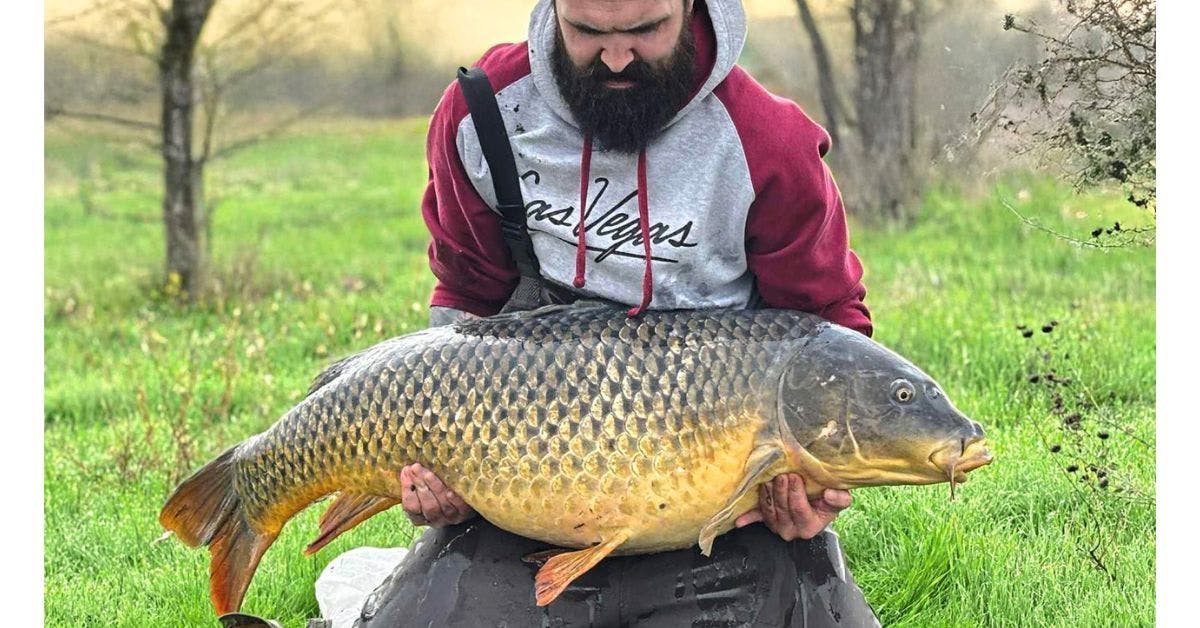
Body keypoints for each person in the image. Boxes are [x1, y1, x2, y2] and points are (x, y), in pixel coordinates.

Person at [354, 0, 880, 625]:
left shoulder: (767, 141)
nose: (615, 56)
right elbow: (466, 299)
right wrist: (449, 464)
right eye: (588, 32)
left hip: (719, 490)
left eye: (644, 30)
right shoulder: (484, 112)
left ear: (690, 7)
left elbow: (825, 330)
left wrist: (816, 481)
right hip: (527, 477)